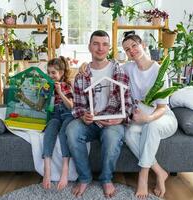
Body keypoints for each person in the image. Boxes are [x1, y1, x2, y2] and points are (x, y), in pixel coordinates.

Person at [66, 30, 133, 198]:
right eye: (96, 44)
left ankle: (106, 179)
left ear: (109, 47)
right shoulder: (82, 74)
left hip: (113, 121)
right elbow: (79, 105)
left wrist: (120, 118)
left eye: (104, 44)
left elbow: (128, 103)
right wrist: (83, 115)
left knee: (111, 138)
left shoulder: (119, 71)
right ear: (89, 47)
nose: (100, 48)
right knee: (72, 130)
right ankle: (84, 177)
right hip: (90, 122)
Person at [121, 31, 178, 198]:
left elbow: (161, 107)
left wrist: (148, 118)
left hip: (163, 117)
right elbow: (109, 67)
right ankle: (160, 171)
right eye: (127, 49)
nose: (131, 50)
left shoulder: (159, 71)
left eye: (134, 45)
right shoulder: (128, 68)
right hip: (142, 118)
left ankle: (143, 176)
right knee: (129, 134)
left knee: (151, 126)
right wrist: (84, 65)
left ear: (143, 45)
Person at [42, 56, 74, 190]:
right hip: (54, 115)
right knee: (50, 130)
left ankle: (65, 169)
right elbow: (43, 106)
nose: (51, 75)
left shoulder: (67, 85)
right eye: (49, 73)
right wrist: (44, 93)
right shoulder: (47, 86)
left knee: (63, 133)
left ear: (61, 73)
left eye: (53, 73)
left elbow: (71, 106)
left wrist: (60, 92)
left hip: (67, 115)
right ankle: (47, 168)